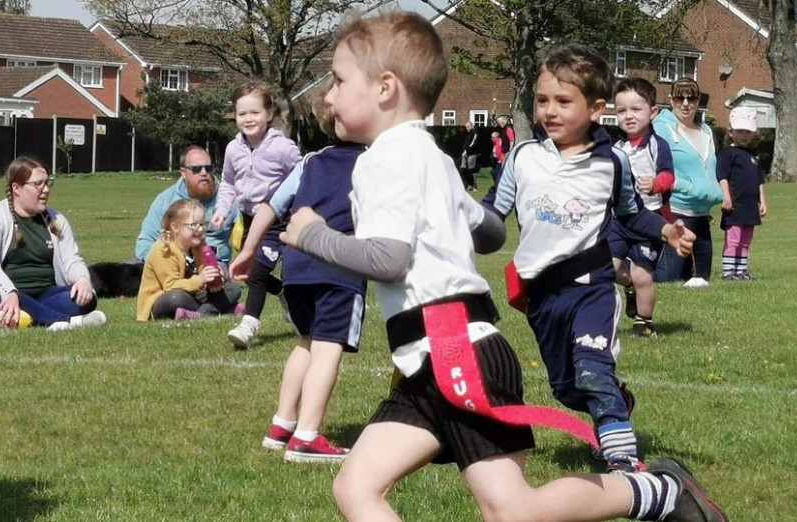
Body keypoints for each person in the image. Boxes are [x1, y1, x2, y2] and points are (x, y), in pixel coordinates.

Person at [280, 12, 726, 522]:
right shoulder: (428, 154)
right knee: (356, 489)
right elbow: (489, 231)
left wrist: (311, 235)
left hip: (454, 352)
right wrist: (457, 217)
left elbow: (389, 259)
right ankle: (659, 492)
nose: (329, 96)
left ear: (385, 87)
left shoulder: (386, 159)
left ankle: (658, 494)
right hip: (428, 360)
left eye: (338, 81)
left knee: (514, 511)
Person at [488, 45, 696, 473]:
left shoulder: (612, 163)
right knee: (567, 389)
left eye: (564, 101)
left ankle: (621, 458)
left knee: (592, 369)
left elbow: (632, 214)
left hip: (593, 289)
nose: (550, 111)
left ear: (596, 108)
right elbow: (493, 213)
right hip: (541, 297)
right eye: (542, 100)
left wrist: (665, 229)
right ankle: (619, 402)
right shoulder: (523, 157)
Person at [229, 91, 367, 462]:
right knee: (328, 348)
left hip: (296, 265)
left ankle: (282, 425)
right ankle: (307, 437)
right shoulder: (375, 163)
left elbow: (271, 206)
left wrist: (247, 251)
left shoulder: (309, 161)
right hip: (339, 264)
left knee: (306, 342)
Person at [0, 157, 106, 332]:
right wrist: (10, 292)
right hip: (3, 295)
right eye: (38, 184)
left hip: (46, 295)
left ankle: (19, 318)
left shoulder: (57, 220)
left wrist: (83, 280)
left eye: (47, 183)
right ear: (16, 189)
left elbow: (72, 261)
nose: (45, 190)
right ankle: (65, 321)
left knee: (87, 298)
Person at [213, 80, 303, 349]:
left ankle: (249, 323)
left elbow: (303, 176)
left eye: (255, 112)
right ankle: (284, 293)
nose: (248, 119)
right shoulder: (233, 149)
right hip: (248, 220)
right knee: (249, 271)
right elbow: (228, 181)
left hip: (277, 220)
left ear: (269, 113)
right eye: (242, 113)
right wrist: (222, 209)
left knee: (259, 268)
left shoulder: (282, 147)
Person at [609, 78, 676, 337]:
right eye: (622, 110)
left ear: (653, 112)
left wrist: (656, 184)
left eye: (636, 109)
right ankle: (628, 288)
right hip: (618, 221)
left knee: (642, 275)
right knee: (609, 269)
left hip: (649, 221)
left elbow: (670, 176)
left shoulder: (658, 146)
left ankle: (644, 321)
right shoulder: (614, 148)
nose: (629, 116)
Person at [652, 78, 723, 285]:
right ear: (671, 99)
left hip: (701, 216)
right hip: (676, 213)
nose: (685, 103)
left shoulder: (706, 131)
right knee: (667, 279)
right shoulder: (661, 128)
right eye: (679, 97)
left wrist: (716, 192)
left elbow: (708, 167)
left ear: (698, 100)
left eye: (691, 97)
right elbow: (656, 167)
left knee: (701, 281)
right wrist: (686, 186)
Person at [136, 199, 243, 321]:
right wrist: (201, 279)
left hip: (193, 293)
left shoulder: (199, 244)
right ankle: (222, 307)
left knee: (233, 289)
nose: (200, 229)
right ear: (175, 227)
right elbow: (170, 286)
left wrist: (215, 278)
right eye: (193, 225)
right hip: (163, 299)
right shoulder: (164, 249)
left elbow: (205, 271)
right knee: (176, 298)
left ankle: (199, 313)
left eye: (202, 224)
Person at [135, 145, 234, 266]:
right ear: (183, 172)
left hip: (213, 264)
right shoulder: (165, 199)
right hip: (169, 263)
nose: (204, 173)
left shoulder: (228, 200)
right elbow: (145, 241)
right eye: (196, 169)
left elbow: (249, 239)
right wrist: (163, 262)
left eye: (208, 168)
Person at [717, 106, 767, 281]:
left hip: (750, 207)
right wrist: (726, 197)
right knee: (734, 239)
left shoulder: (754, 156)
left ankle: (741, 270)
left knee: (746, 240)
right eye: (740, 131)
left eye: (748, 131)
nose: (744, 135)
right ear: (731, 132)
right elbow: (722, 176)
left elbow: (760, 180)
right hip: (734, 205)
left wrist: (762, 201)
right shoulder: (728, 154)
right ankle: (729, 272)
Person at [459, 121, 481, 191]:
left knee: (471, 170)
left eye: (468, 127)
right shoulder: (468, 134)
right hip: (465, 154)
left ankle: (474, 186)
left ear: (472, 126)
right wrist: (464, 151)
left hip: (472, 154)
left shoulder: (475, 133)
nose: (467, 128)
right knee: (463, 169)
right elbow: (466, 144)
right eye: (466, 127)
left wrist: (466, 151)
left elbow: (473, 144)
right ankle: (467, 185)